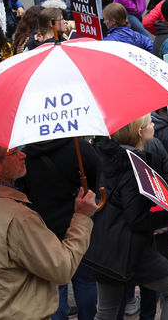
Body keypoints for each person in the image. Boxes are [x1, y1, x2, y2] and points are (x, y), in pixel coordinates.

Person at [0, 140, 98, 319]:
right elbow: (62, 268)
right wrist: (82, 218)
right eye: (14, 153)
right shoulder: (18, 217)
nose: (23, 154)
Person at [87, 117, 168, 319]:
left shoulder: (105, 155)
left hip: (104, 244)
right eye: (150, 123)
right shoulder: (132, 164)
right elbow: (137, 218)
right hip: (129, 248)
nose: (154, 126)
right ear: (139, 132)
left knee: (106, 311)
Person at [19, 136, 102, 320]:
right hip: (80, 224)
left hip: (44, 231)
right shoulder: (79, 147)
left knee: (55, 285)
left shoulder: (24, 156)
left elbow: (22, 194)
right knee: (86, 280)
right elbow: (99, 178)